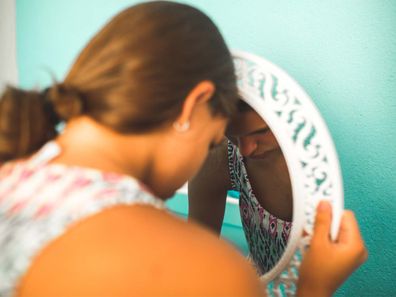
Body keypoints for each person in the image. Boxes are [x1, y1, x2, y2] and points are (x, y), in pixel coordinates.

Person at [0, 1, 367, 297]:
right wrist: (314, 289)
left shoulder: (13, 170)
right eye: (214, 140)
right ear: (194, 105)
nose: (213, 154)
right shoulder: (207, 270)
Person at [189, 100, 293, 274]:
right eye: (231, 132)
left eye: (261, 132)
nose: (245, 150)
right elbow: (197, 256)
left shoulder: (326, 163)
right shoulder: (220, 156)